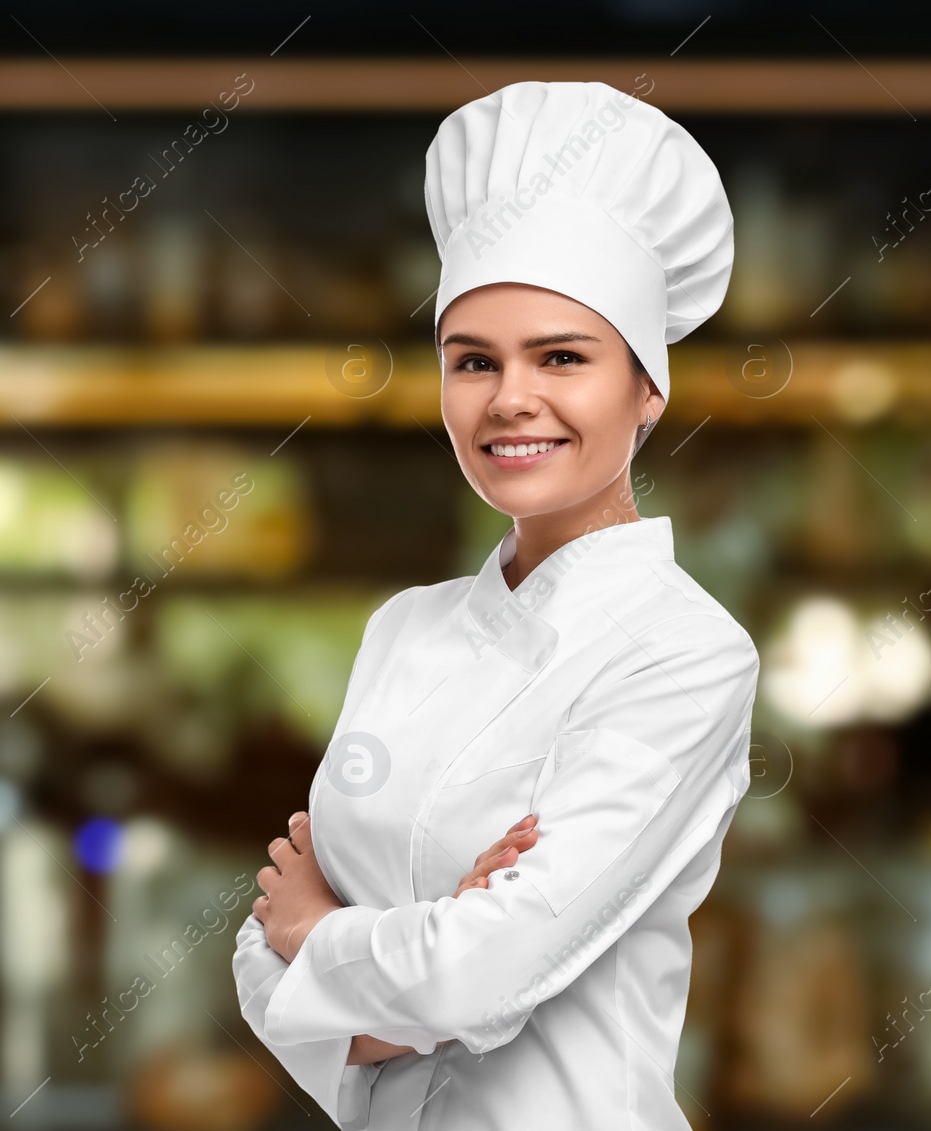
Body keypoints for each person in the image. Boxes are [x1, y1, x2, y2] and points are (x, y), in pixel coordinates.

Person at [232, 80, 756, 1130]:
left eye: (561, 356)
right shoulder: (403, 630)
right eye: (472, 361)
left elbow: (485, 973)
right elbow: (256, 967)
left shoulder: (688, 653)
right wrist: (431, 945)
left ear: (646, 387)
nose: (508, 398)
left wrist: (324, 937)